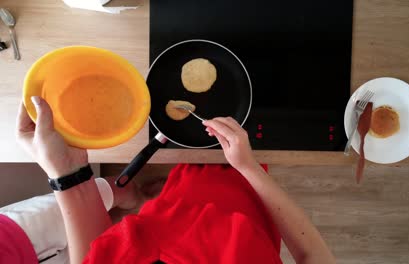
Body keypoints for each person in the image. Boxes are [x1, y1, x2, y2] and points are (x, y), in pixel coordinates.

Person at [13, 96, 335, 264]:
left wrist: (67, 172)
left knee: (185, 176)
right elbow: (313, 256)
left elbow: (96, 253)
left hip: (182, 196)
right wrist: (249, 169)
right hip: (248, 199)